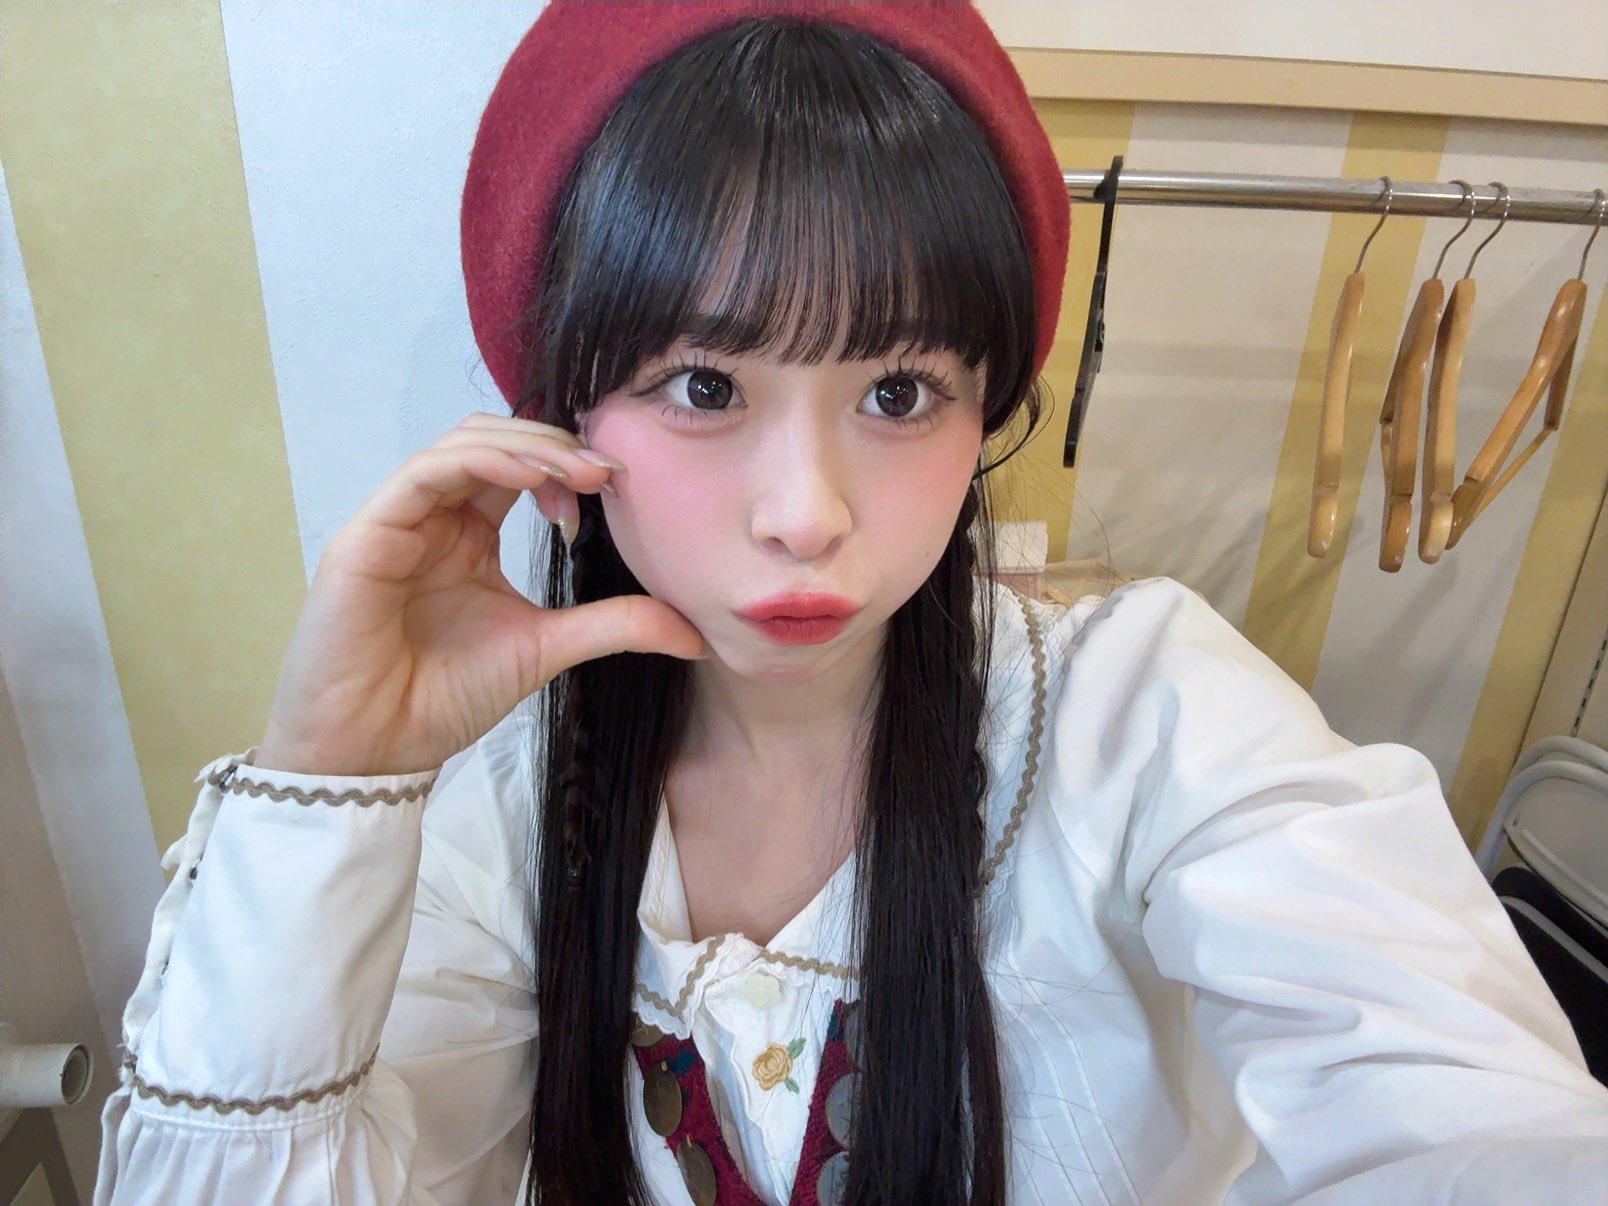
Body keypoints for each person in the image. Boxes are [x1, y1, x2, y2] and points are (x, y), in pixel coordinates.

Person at [94, 3, 1608, 1204]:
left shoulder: (1144, 720)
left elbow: (1460, 1108)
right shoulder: (494, 807)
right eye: (705, 386)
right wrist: (332, 780)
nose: (807, 512)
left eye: (897, 391)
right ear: (561, 418)